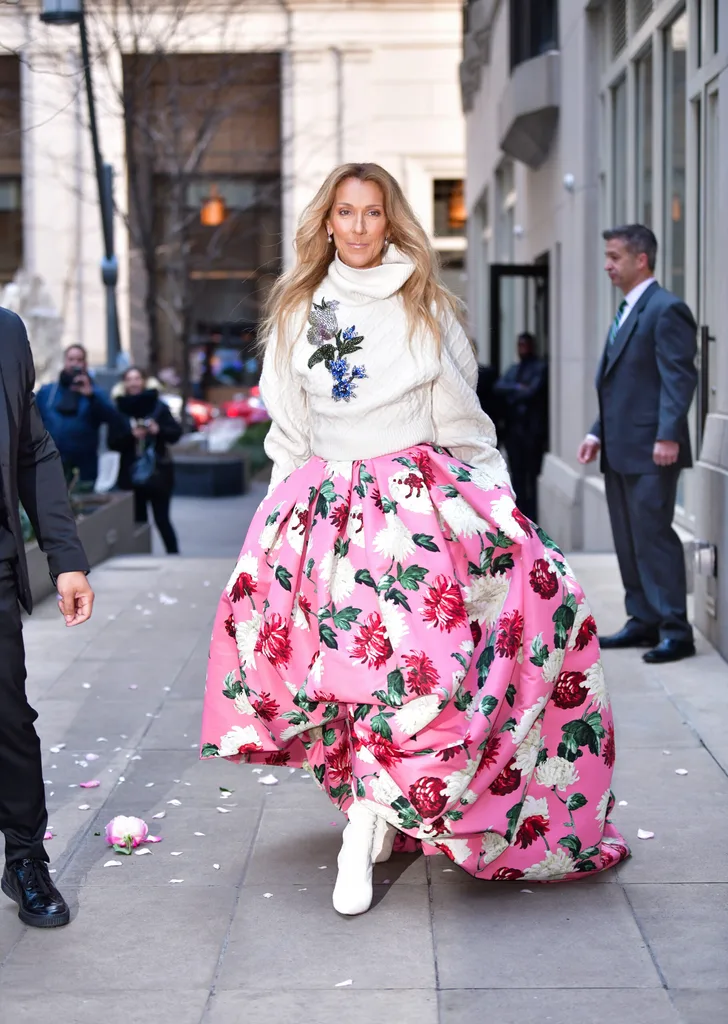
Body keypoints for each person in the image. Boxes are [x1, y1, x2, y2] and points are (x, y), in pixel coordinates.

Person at [200, 163, 629, 916]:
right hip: (325, 507)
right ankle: (370, 811)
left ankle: (372, 815)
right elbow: (290, 431)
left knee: (424, 669)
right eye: (346, 212)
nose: (359, 226)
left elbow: (462, 419)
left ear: (391, 221)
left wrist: (498, 507)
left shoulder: (425, 303)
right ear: (327, 221)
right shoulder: (301, 307)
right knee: (345, 668)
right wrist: (269, 531)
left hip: (413, 507)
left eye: (372, 213)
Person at [0, 307, 95, 928]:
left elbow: (33, 451)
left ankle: (26, 861)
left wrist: (66, 559)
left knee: (8, 717)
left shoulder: (7, 334)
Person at [578, 225, 697, 665]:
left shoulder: (666, 309)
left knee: (654, 538)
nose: (607, 265)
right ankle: (643, 620)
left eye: (614, 257)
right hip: (621, 448)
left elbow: (678, 378)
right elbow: (624, 385)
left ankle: (675, 630)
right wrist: (597, 432)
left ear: (640, 260)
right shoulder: (629, 309)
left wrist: (668, 433)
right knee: (628, 541)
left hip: (652, 449)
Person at [109, 367, 182, 554]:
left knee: (162, 519)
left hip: (159, 474)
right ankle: (141, 557)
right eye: (129, 379)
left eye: (137, 378)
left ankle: (174, 556)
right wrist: (131, 435)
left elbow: (175, 434)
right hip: (131, 475)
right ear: (123, 383)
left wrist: (158, 430)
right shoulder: (119, 410)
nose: (133, 383)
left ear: (144, 381)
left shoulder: (158, 406)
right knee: (138, 522)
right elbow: (112, 442)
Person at [36, 344, 124, 485]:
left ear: (85, 363)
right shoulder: (48, 392)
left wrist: (91, 396)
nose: (74, 364)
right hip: (51, 463)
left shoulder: (95, 393)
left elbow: (113, 418)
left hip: (84, 467)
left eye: (79, 360)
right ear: (65, 362)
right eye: (71, 359)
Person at [493, 332, 548, 521]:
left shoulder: (539, 367)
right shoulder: (514, 370)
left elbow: (533, 391)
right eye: (520, 344)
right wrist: (518, 388)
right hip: (514, 432)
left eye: (525, 344)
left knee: (530, 478)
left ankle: (531, 517)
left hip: (532, 433)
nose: (522, 348)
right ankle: (520, 516)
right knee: (517, 477)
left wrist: (516, 391)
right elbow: (499, 387)